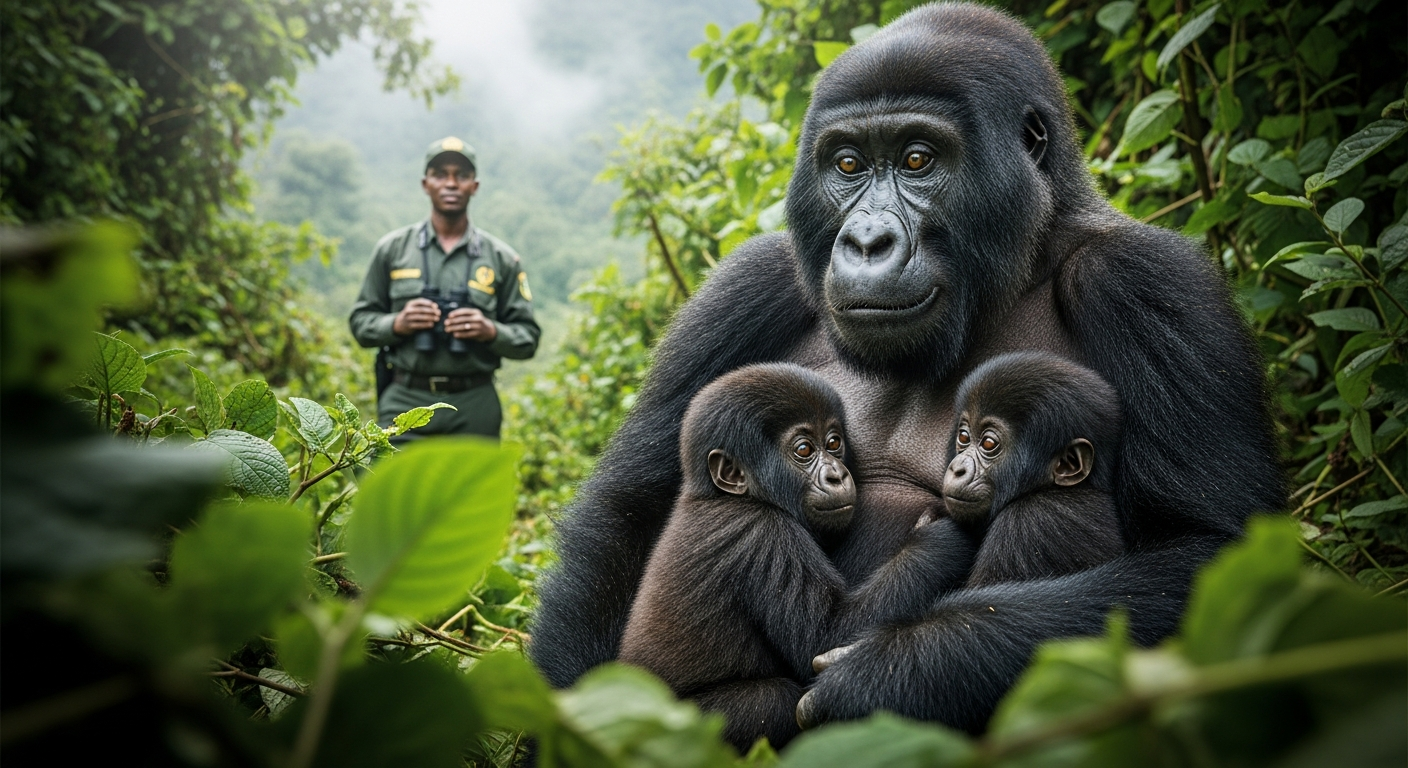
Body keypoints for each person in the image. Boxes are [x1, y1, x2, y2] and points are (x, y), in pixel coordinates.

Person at [349, 137, 539, 439]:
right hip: (405, 399)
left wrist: (489, 330)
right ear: (426, 184)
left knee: (475, 488)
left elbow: (528, 339)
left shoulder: (501, 258)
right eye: (440, 174)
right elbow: (360, 323)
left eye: (461, 175)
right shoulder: (392, 250)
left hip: (474, 401)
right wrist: (399, 323)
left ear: (474, 186)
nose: (451, 184)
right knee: (394, 485)